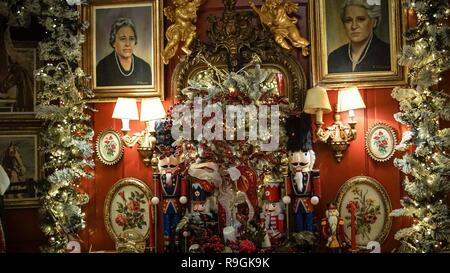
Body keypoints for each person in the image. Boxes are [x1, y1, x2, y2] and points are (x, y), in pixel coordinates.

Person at [328, 0, 391, 73]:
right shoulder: (334, 57)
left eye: (360, 19)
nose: (354, 26)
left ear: (374, 22)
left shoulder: (388, 54)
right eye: (348, 20)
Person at [96, 17, 152, 86]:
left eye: (131, 39)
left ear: (135, 41)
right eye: (123, 39)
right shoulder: (102, 67)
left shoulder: (145, 67)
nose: (128, 44)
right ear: (113, 42)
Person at [161, 0, 203, 64]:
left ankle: (185, 46)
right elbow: (185, 17)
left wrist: (194, 16)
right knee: (175, 39)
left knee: (192, 34)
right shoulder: (178, 10)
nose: (185, 1)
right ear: (177, 2)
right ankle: (165, 52)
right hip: (178, 28)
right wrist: (191, 16)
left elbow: (193, 19)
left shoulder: (187, 8)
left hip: (186, 28)